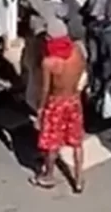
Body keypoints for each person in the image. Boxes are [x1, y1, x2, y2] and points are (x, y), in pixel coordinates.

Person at [30, 32, 87, 193]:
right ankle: (78, 179)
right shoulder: (77, 53)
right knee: (77, 142)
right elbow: (82, 72)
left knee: (52, 143)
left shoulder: (49, 63)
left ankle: (48, 175)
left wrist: (40, 109)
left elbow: (46, 89)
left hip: (56, 103)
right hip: (74, 100)